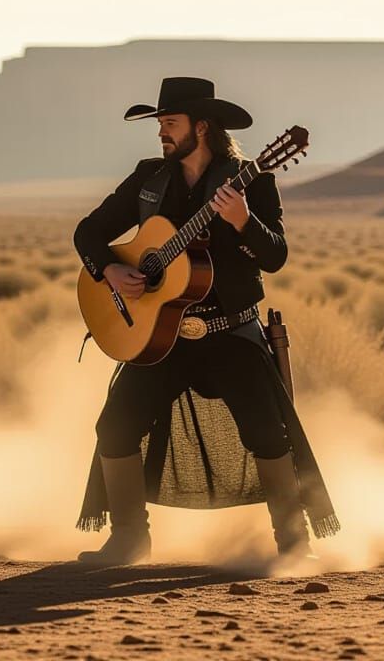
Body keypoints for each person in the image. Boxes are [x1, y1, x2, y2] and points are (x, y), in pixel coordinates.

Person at [73, 76, 335, 566]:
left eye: (169, 124)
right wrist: (110, 269)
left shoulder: (252, 180)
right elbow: (89, 232)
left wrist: (242, 221)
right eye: (160, 124)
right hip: (161, 338)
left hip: (230, 334)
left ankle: (295, 545)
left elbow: (275, 256)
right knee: (114, 425)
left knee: (266, 432)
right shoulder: (150, 179)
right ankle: (129, 539)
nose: (161, 134)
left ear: (203, 126)